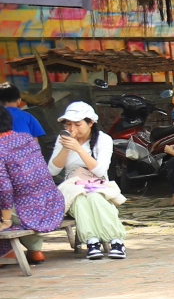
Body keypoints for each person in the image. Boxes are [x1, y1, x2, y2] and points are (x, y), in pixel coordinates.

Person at [48, 101, 128, 261]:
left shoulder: (104, 139)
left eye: (77, 124)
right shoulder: (62, 139)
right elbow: (52, 170)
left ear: (90, 123)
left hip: (98, 185)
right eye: (68, 124)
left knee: (95, 197)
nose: (72, 129)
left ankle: (116, 240)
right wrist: (66, 148)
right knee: (80, 198)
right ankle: (92, 241)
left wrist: (78, 148)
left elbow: (100, 170)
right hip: (73, 186)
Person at [0, 107, 61, 267]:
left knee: (8, 204)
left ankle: (7, 252)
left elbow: (4, 188)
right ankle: (35, 250)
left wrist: (6, 221)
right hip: (51, 204)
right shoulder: (26, 138)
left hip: (27, 212)